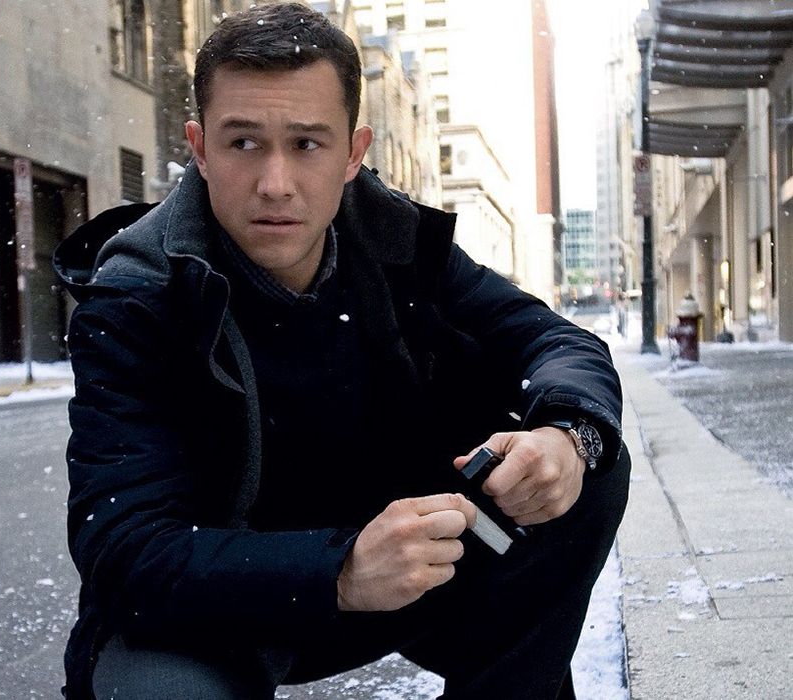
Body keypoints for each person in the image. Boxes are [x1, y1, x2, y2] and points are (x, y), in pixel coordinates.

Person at [50, 3, 629, 699]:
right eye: (243, 142)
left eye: (306, 144)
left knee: (585, 464)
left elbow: (555, 341)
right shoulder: (138, 296)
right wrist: (339, 570)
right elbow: (124, 550)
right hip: (224, 607)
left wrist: (568, 435)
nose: (275, 183)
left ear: (353, 153)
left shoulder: (396, 243)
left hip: (412, 568)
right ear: (199, 148)